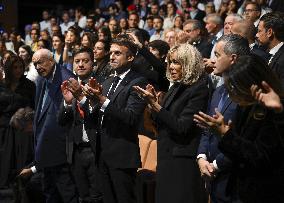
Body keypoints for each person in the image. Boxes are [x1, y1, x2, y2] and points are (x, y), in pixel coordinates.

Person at [194, 54, 284, 203]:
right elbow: (239, 152)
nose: (231, 93)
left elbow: (260, 157)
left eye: (234, 87)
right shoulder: (246, 106)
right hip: (237, 189)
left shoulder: (276, 109)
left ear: (251, 84)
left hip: (266, 193)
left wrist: (226, 134)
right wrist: (220, 133)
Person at [133, 43, 208, 203]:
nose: (171, 67)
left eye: (176, 62)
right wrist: (152, 107)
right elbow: (161, 123)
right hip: (167, 157)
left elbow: (182, 127)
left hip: (182, 163)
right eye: (170, 62)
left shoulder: (198, 89)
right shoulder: (176, 87)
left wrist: (156, 106)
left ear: (189, 63)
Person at [82, 38, 147, 203]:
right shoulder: (108, 81)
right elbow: (97, 114)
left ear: (131, 57)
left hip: (122, 155)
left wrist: (102, 100)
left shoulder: (138, 81)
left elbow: (131, 117)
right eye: (111, 53)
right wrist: (85, 100)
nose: (111, 57)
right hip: (102, 153)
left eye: (117, 53)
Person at [197, 34, 250, 203]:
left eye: (218, 55)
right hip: (213, 179)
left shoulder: (245, 95)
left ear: (233, 58)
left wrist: (216, 165)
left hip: (234, 181)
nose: (213, 60)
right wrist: (202, 158)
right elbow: (207, 129)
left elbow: (242, 137)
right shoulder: (219, 91)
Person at [28, 49, 78, 203]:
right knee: (49, 193)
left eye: (40, 63)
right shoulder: (42, 78)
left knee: (66, 193)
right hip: (44, 147)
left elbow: (67, 117)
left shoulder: (67, 79)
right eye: (35, 64)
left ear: (51, 61)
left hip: (59, 149)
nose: (37, 67)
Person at [58, 48, 102, 203]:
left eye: (85, 61)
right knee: (82, 196)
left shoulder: (101, 84)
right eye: (77, 61)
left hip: (96, 149)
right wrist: (68, 103)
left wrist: (81, 97)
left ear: (93, 63)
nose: (81, 64)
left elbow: (99, 115)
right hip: (76, 150)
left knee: (97, 197)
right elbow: (61, 121)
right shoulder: (68, 86)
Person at [0, 56, 35, 188]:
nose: (19, 70)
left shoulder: (29, 85)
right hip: (3, 130)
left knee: (21, 164)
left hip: (22, 131)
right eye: (15, 67)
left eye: (21, 67)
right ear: (9, 68)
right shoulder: (1, 85)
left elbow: (33, 107)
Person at [256, 12, 284, 88]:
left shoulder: (282, 60)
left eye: (259, 31)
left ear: (269, 32)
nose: (256, 35)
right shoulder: (269, 54)